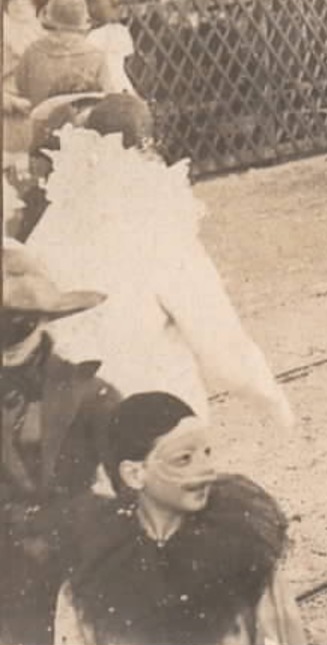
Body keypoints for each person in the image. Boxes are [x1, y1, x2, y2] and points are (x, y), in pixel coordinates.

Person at [25, 100, 294, 428]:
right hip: (151, 407)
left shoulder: (52, 222)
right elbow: (214, 329)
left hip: (69, 410)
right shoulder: (155, 219)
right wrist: (268, 397)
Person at [54, 392, 307, 645]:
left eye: (207, 452)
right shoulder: (94, 572)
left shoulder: (246, 555)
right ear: (134, 474)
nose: (206, 469)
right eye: (184, 459)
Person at [0, 243, 120, 645]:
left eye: (19, 325)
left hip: (77, 546)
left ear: (43, 320)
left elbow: (132, 487)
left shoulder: (90, 394)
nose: (8, 342)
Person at [14, 0, 121, 107]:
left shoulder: (33, 52)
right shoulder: (96, 57)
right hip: (80, 123)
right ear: (83, 22)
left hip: (40, 120)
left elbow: (22, 90)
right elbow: (108, 98)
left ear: (50, 19)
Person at [2, 0, 48, 164]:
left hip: (38, 115)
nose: (20, 3)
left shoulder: (43, 35)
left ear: (36, 2)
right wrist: (10, 101)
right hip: (7, 116)